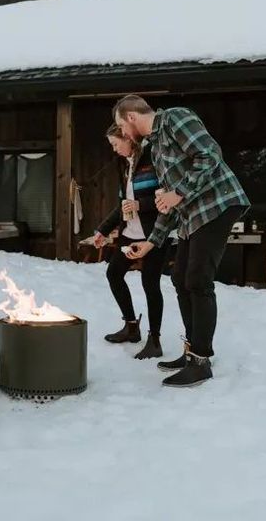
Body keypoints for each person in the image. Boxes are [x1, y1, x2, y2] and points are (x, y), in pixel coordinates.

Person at [115, 95, 249, 387]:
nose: (123, 134)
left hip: (218, 204)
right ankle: (191, 353)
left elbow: (209, 154)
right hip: (192, 215)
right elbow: (169, 203)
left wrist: (180, 193)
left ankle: (201, 361)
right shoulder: (156, 148)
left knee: (198, 279)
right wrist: (151, 242)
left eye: (121, 127)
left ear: (131, 117)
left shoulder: (176, 118)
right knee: (179, 277)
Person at [93, 123, 169, 359]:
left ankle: (154, 341)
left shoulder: (152, 159)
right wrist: (102, 230)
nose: (115, 150)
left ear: (128, 138)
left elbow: (167, 198)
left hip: (155, 233)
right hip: (130, 233)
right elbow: (122, 204)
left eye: (116, 144)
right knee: (114, 273)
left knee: (150, 283)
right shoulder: (124, 165)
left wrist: (140, 205)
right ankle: (131, 326)